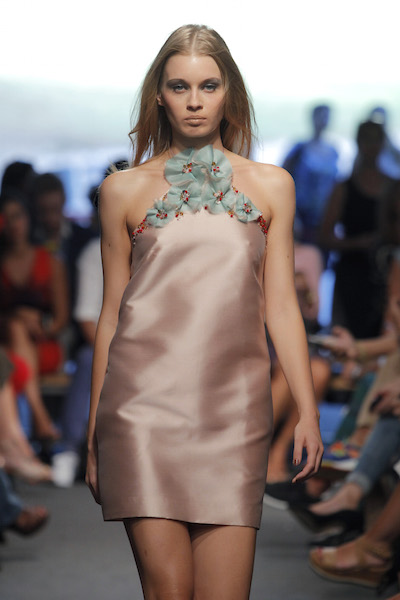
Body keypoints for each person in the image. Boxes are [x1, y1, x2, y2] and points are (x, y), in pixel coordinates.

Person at [85, 24, 323, 600]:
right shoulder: (121, 190)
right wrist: (95, 432)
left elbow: (281, 306)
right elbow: (112, 315)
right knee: (168, 590)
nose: (194, 101)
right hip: (142, 411)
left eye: (208, 86)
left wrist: (307, 410)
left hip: (233, 413)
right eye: (180, 86)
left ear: (228, 93)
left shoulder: (273, 186)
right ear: (159, 96)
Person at [282, 105, 338, 245]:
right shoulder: (299, 148)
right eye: (320, 116)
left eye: (326, 116)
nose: (323, 120)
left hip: (323, 214)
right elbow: (283, 178)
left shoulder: (333, 151)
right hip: (302, 215)